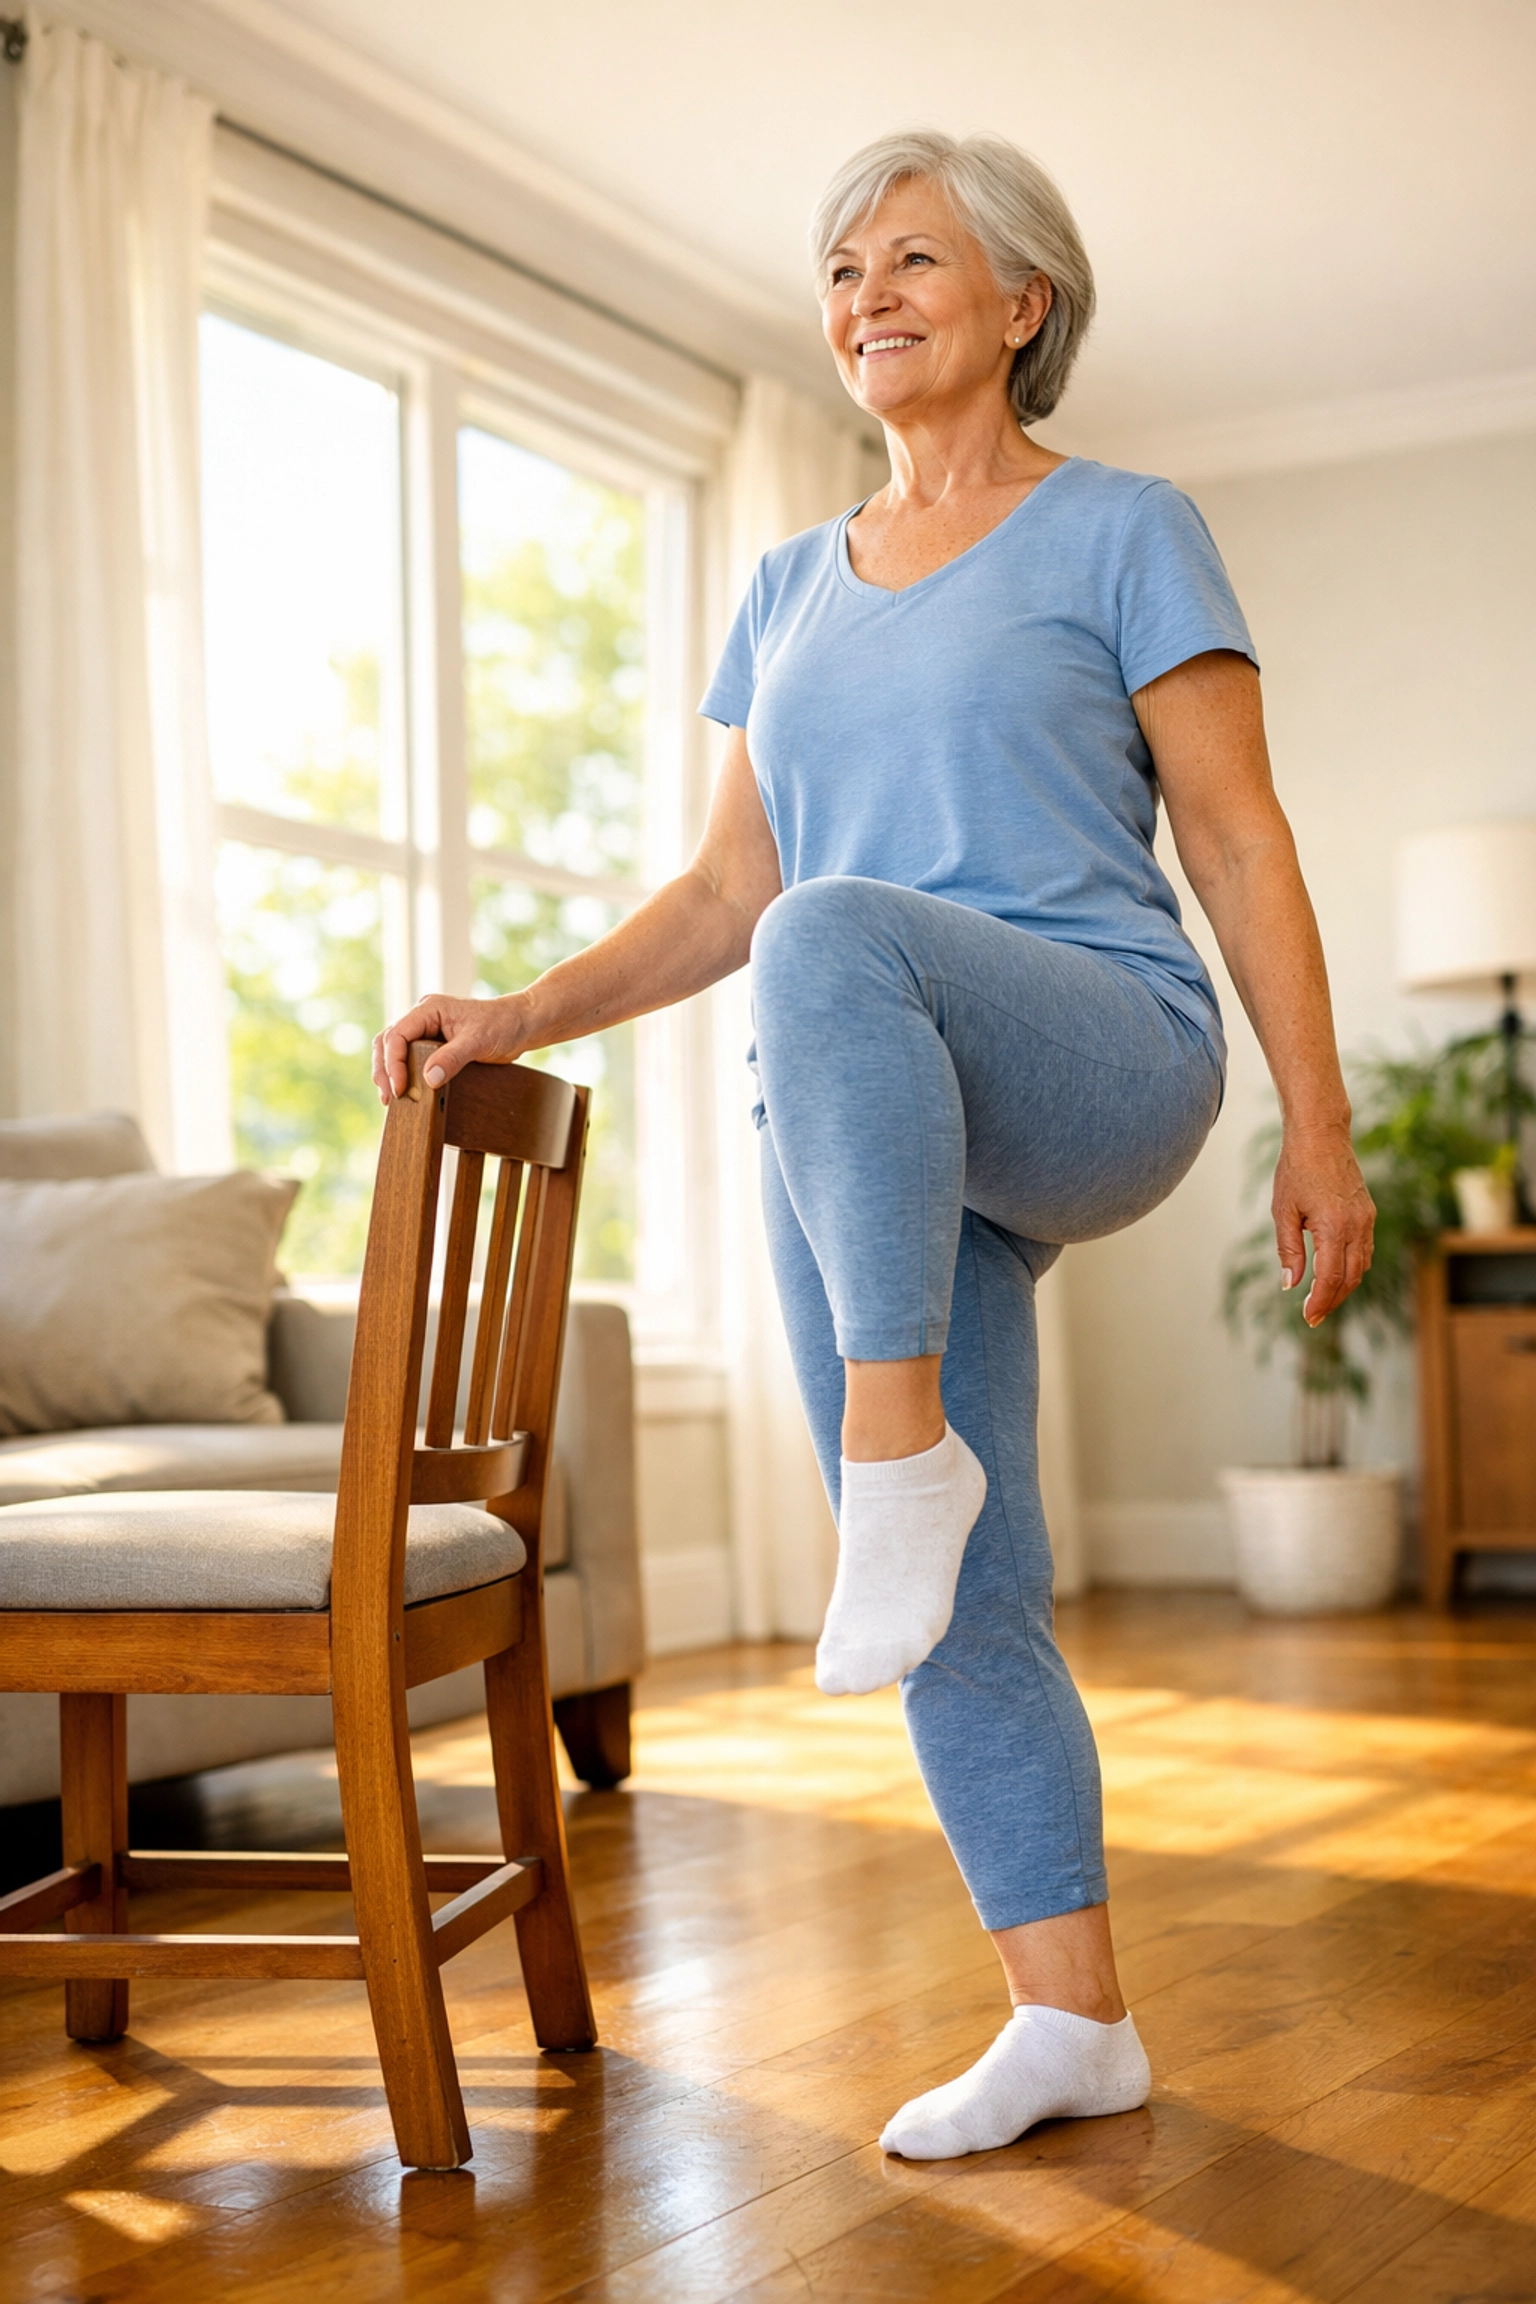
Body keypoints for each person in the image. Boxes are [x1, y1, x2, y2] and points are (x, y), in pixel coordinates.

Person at [374, 129, 1375, 2163]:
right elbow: (726, 892)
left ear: (1027, 304)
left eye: (918, 258)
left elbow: (1239, 837)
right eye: (841, 270)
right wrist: (517, 1011)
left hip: (1100, 1048)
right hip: (869, 1111)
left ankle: (893, 1461)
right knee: (957, 1598)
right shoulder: (784, 591)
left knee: (838, 961)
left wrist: (1321, 1125)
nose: (868, 297)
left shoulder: (1126, 528)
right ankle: (1071, 2021)